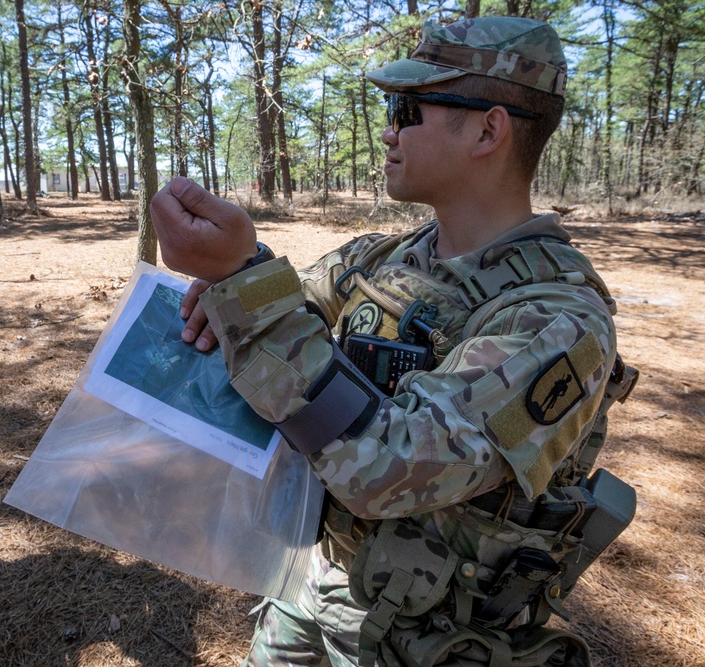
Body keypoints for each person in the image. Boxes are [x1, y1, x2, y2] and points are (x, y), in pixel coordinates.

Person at [151, 17, 635, 667]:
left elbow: (386, 467)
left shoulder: (556, 319)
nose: (388, 129)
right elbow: (290, 310)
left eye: (406, 109)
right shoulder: (382, 258)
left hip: (416, 636)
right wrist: (236, 288)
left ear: (489, 130)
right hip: (308, 577)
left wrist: (246, 286)